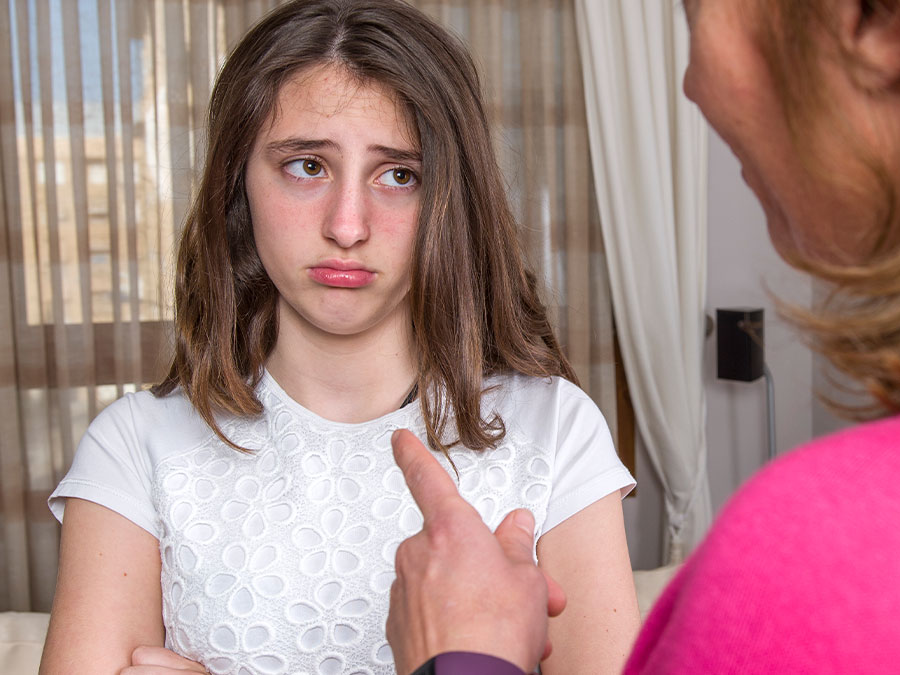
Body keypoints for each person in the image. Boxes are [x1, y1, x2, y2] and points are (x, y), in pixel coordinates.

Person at [386, 0, 900, 672]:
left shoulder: (837, 557)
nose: (693, 84)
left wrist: (466, 656)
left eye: (694, 10)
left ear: (875, 19)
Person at [37, 1, 641, 673]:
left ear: (449, 199)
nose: (347, 225)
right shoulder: (134, 447)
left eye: (399, 175)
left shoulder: (556, 430)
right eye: (307, 166)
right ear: (239, 184)